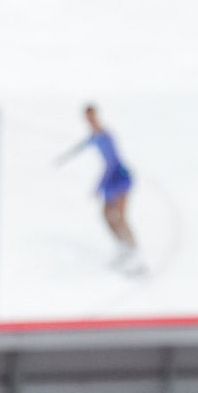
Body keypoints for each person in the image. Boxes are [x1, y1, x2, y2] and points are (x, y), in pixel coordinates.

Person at [61, 105, 144, 274]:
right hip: (110, 179)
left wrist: (99, 186)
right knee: (106, 215)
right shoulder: (95, 137)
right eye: (87, 117)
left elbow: (112, 163)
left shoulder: (106, 136)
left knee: (120, 216)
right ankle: (123, 247)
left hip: (119, 177)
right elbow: (85, 144)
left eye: (92, 116)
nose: (90, 120)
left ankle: (134, 251)